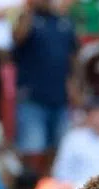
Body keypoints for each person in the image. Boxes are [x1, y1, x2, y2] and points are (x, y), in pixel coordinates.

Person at [13, 0, 79, 175]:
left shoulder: (64, 21)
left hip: (60, 96)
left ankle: (47, 187)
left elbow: (73, 58)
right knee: (32, 148)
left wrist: (75, 86)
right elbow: (18, 37)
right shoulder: (28, 19)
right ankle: (28, 188)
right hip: (32, 96)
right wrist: (28, 9)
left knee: (57, 148)